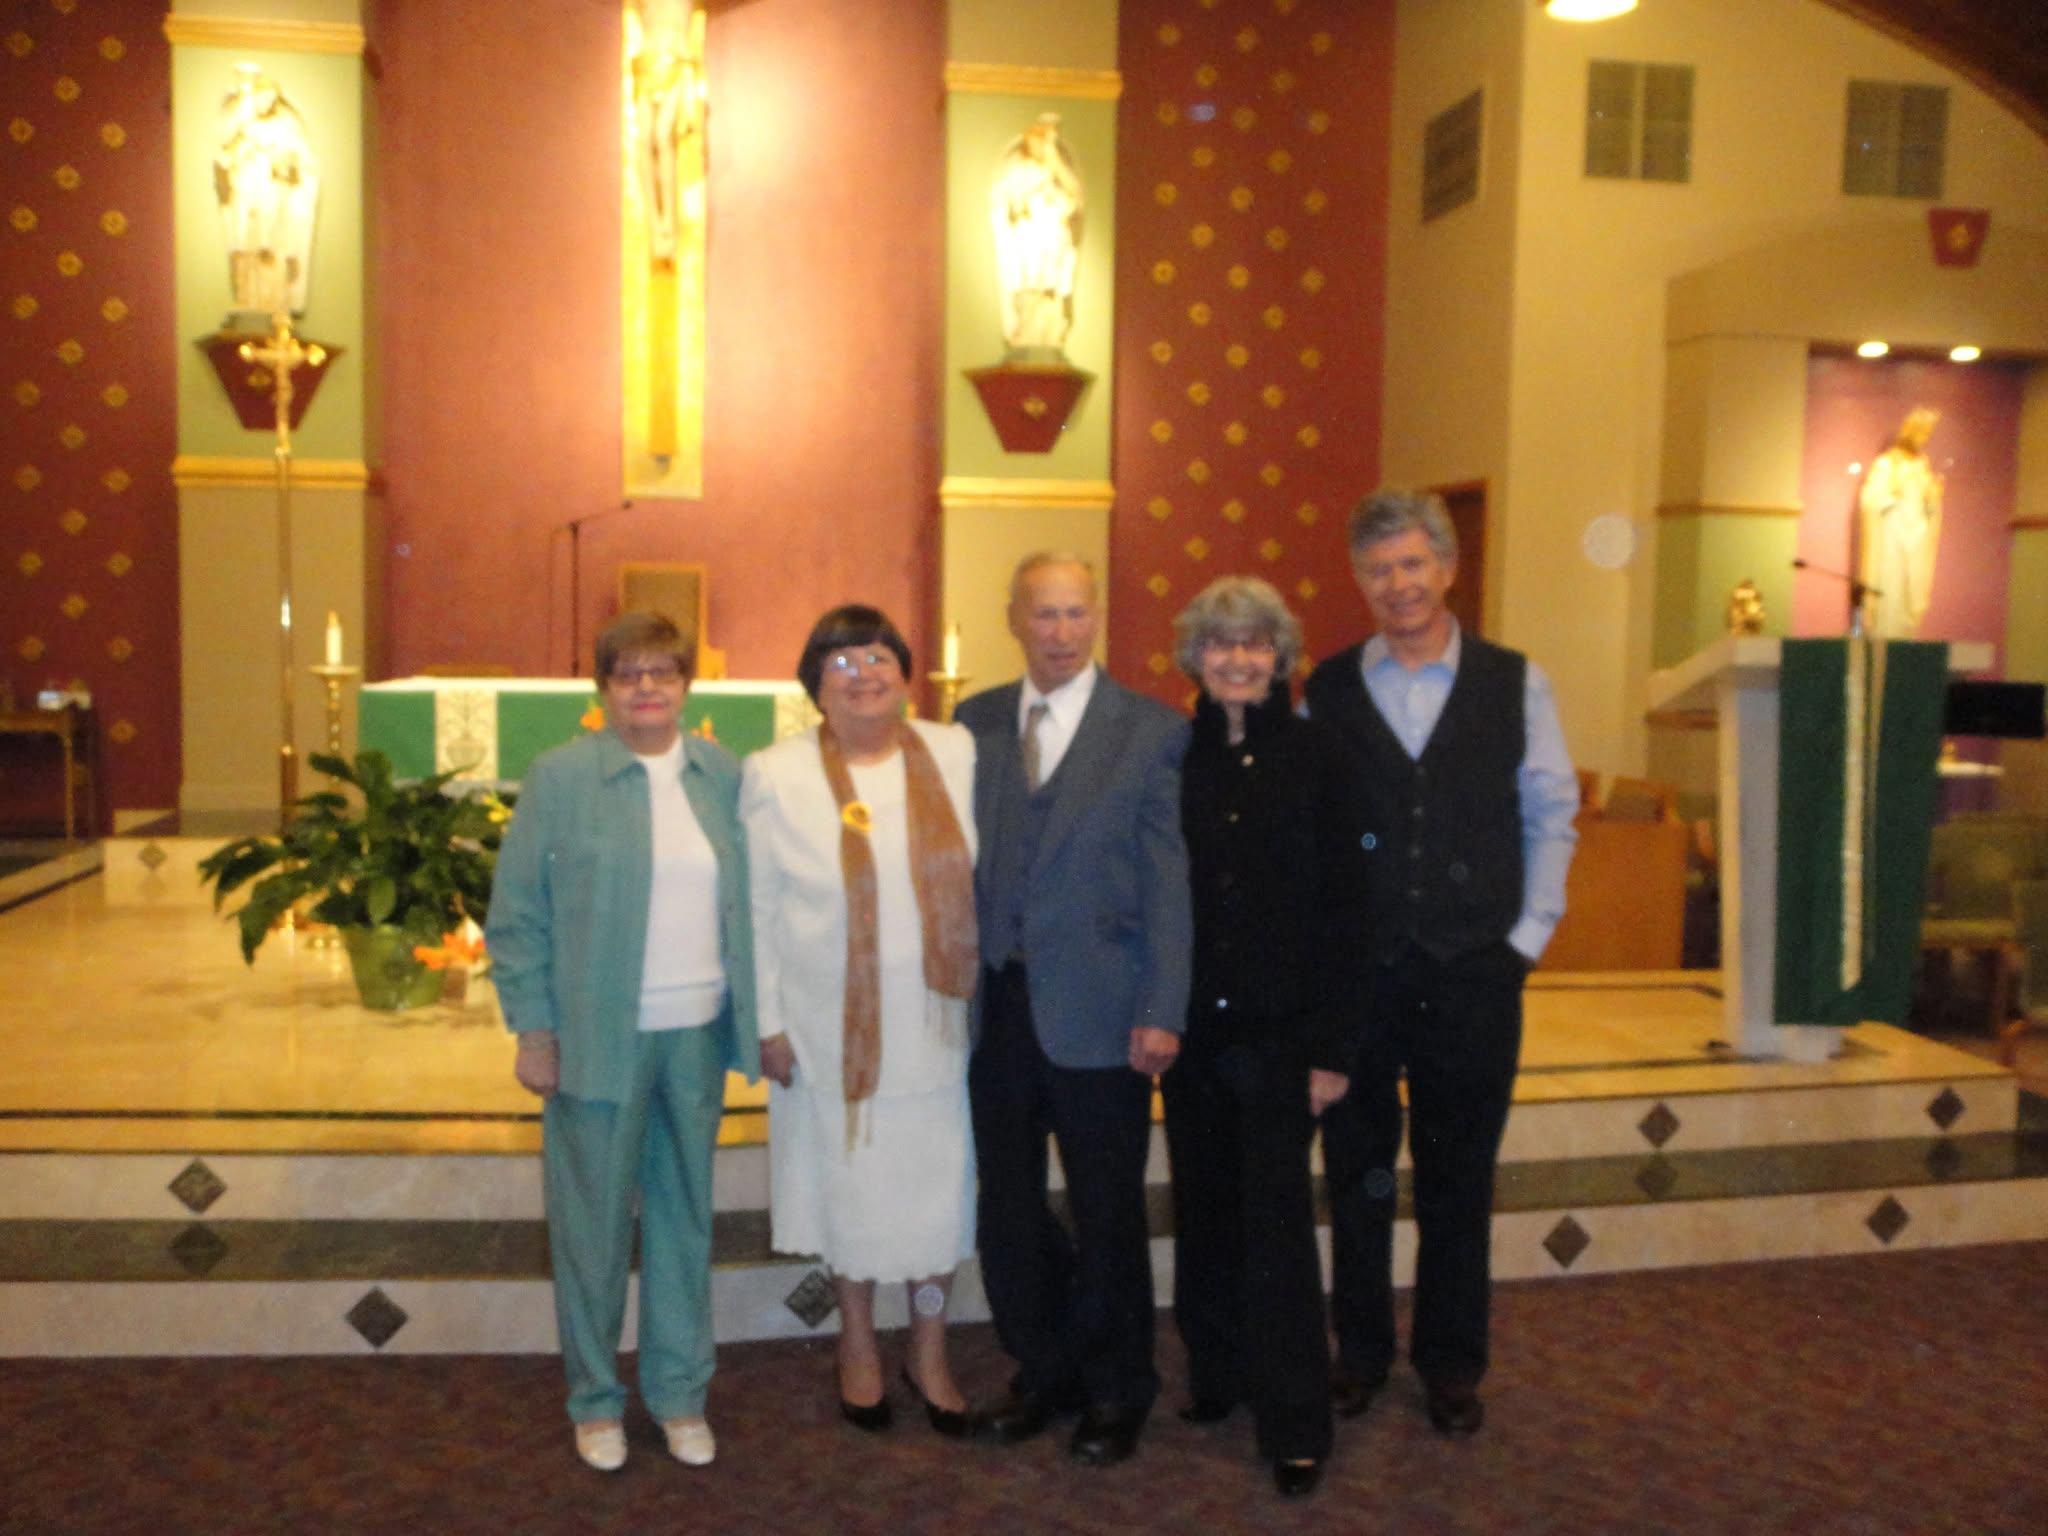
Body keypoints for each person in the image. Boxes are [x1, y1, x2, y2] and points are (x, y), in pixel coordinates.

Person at [1306, 490, 1578, 1438]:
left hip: (1473, 972)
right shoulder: (1330, 688)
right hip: (1363, 979)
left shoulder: (1516, 682)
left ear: (1449, 569)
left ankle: (1452, 1363)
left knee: (1460, 1175)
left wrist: (1525, 940)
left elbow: (1551, 812)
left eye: (1413, 565)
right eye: (1379, 570)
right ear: (1361, 582)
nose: (1398, 585)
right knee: (1359, 1172)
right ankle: (1364, 1352)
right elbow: (1311, 833)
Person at [488, 609, 758, 1473]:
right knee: (592, 1227)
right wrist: (535, 1030)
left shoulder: (722, 774)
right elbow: (518, 916)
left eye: (663, 672)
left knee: (683, 1224)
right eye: (629, 673)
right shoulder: (560, 778)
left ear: (687, 685)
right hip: (597, 1038)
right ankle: (596, 1400)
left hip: (695, 1035)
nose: (647, 687)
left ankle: (680, 1395)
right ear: (603, 688)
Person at [955, 552, 1193, 1467]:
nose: (1059, 633)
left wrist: (1163, 1006)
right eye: (1042, 615)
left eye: (1075, 614)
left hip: (1103, 1013)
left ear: (1098, 618)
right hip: (999, 1009)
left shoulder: (1149, 731)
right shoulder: (973, 723)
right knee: (1008, 1208)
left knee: (1106, 1211)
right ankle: (1043, 1370)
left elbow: (1169, 884)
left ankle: (1118, 1388)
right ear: (1014, 618)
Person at [741, 606, 981, 1437]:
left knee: (933, 1201)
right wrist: (768, 1024)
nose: (863, 674)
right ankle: (857, 1344)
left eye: (878, 658)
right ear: (815, 684)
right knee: (849, 1191)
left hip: (936, 1027)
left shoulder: (955, 753)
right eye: (841, 663)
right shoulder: (774, 772)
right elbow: (758, 908)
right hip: (826, 1028)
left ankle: (930, 1347)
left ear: (905, 673)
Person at [1166, 576, 1369, 1499]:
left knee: (1279, 1225)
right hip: (1194, 1032)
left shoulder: (1321, 754)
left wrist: (1334, 1047)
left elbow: (1346, 908)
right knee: (1204, 1207)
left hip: (1286, 1036)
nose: (1239, 659)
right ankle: (1218, 1376)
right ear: (1196, 658)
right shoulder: (1176, 755)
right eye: (1221, 644)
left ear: (1280, 656)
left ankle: (1295, 1418)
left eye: (1255, 644)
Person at [1858, 406, 1943, 638]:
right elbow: (1869, 501)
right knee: (1890, 588)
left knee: (1910, 589)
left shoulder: (1922, 465)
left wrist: (1933, 497)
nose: (1924, 439)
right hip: (1891, 537)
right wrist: (1890, 495)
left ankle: (1906, 636)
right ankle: (1884, 635)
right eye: (1921, 432)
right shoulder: (1886, 464)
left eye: (1928, 434)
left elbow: (1929, 505)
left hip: (1916, 537)